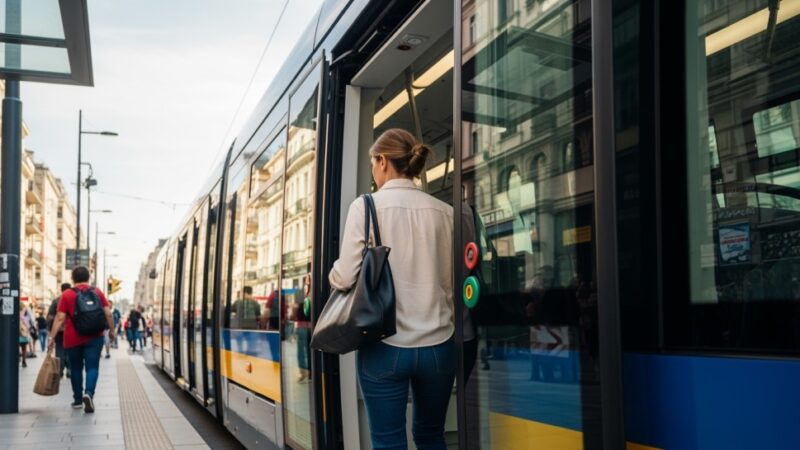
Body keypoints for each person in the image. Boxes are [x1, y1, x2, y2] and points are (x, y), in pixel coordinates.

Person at [329, 128, 455, 449]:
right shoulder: (446, 213)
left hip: (384, 347)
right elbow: (451, 285)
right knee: (431, 437)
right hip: (440, 346)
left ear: (383, 160)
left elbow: (344, 279)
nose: (373, 169)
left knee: (388, 442)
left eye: (374, 162)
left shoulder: (365, 207)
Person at [48, 266, 115, 413]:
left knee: (76, 368)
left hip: (72, 337)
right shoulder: (97, 292)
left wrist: (51, 337)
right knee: (92, 367)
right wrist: (112, 331)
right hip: (95, 336)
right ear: (88, 278)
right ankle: (89, 393)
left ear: (72, 279)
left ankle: (78, 400)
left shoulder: (67, 294)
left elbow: (60, 318)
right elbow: (108, 313)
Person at [48, 283, 72, 378]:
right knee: (70, 350)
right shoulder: (74, 299)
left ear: (61, 290)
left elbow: (50, 317)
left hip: (59, 331)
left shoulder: (56, 301)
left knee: (59, 350)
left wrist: (51, 331)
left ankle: (60, 370)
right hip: (70, 331)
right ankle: (70, 369)